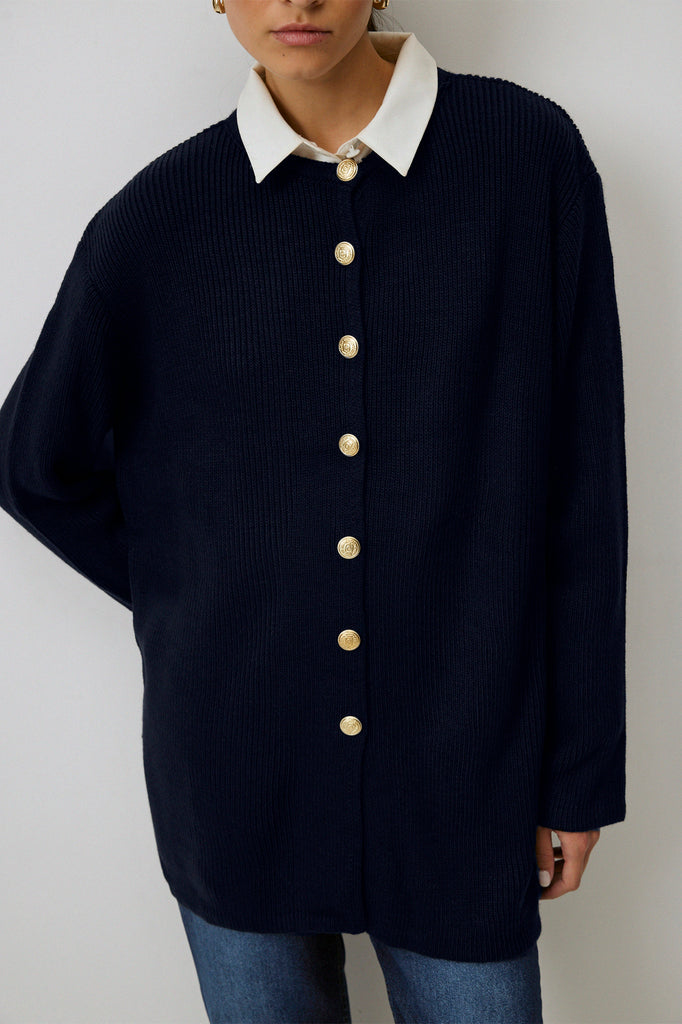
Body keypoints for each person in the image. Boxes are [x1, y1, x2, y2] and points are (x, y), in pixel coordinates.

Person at [0, 0, 627, 1021]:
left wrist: (579, 774)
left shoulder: (525, 157)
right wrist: (199, 593)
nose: (296, 0)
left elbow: (583, 486)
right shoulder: (159, 218)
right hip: (236, 771)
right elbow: (35, 463)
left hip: (467, 765)